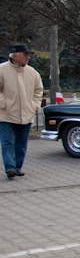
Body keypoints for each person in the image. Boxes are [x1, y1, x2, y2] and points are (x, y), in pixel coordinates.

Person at [0, 44, 44, 179]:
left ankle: (17, 167)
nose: (28, 57)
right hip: (6, 115)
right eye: (25, 55)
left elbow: (38, 91)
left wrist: (34, 105)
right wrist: (4, 104)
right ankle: (10, 168)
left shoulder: (33, 73)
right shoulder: (2, 70)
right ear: (15, 55)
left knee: (21, 143)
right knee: (8, 143)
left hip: (26, 115)